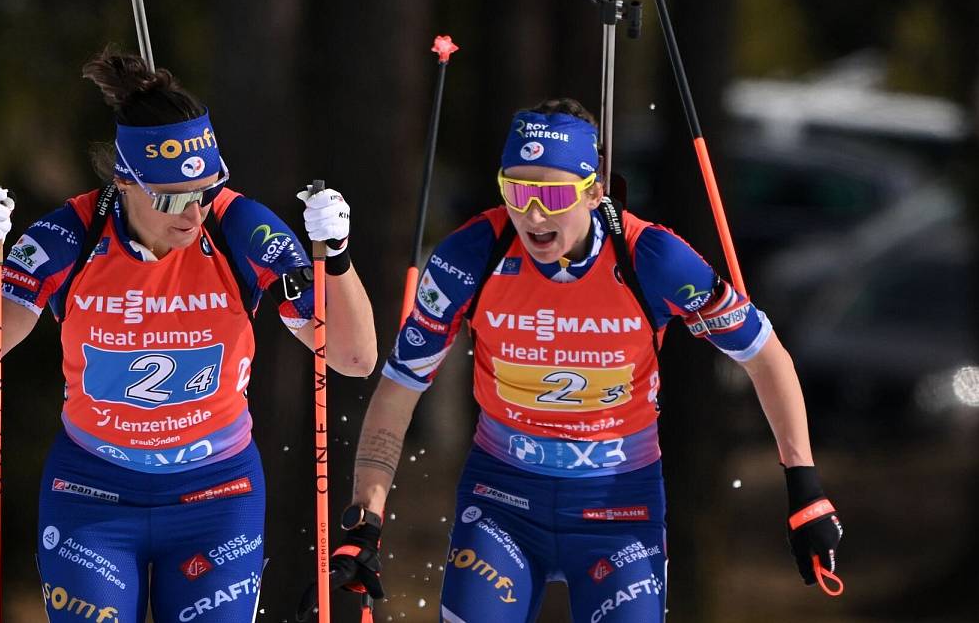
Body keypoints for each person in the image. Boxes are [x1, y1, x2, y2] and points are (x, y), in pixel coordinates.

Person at [309, 99, 843, 623]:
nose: (533, 214)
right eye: (516, 190)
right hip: (503, 498)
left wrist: (805, 487)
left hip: (619, 507)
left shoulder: (651, 259)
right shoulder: (472, 255)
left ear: (594, 193)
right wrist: (366, 520)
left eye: (554, 193)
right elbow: (400, 387)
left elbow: (763, 355)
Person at [0, 49, 377, 622]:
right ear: (124, 182)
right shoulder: (71, 235)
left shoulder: (238, 226)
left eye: (204, 190)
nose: (193, 213)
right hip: (91, 493)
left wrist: (335, 260)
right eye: (171, 196)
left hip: (216, 494)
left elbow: (353, 356)